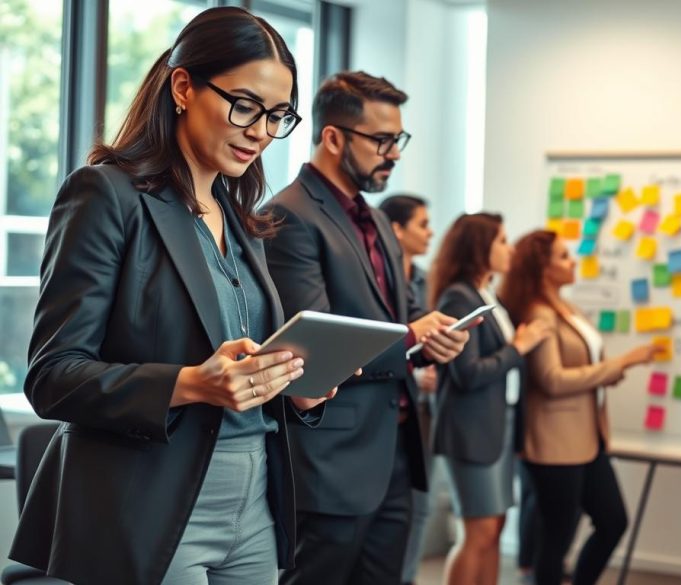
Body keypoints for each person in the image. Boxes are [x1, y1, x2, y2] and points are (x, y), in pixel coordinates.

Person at [8, 7, 334, 585]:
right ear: (183, 86)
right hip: (147, 503)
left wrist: (290, 387)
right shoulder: (106, 195)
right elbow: (53, 376)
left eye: (277, 115)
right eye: (245, 105)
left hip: (255, 500)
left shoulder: (240, 218)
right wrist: (190, 383)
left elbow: (238, 364)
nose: (260, 130)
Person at [264, 71, 471, 585]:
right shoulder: (288, 217)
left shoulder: (376, 221)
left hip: (396, 450)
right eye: (382, 140)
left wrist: (429, 345)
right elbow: (312, 352)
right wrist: (412, 335)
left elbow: (397, 324)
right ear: (333, 138)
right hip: (332, 461)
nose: (394, 153)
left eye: (397, 139)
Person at [500, 230, 657, 585]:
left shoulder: (565, 306)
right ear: (543, 267)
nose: (573, 261)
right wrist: (623, 363)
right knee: (556, 536)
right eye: (563, 256)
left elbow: (579, 366)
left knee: (613, 520)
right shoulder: (539, 314)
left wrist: (604, 375)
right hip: (554, 441)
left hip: (587, 438)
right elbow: (553, 380)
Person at [430, 214, 550, 585]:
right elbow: (468, 373)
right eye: (501, 241)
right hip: (472, 430)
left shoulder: (487, 295)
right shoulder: (458, 296)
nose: (510, 249)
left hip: (497, 426)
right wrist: (520, 347)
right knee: (478, 532)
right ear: (479, 248)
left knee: (494, 528)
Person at [379, 193, 437, 585]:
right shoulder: (382, 276)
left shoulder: (421, 279)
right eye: (422, 224)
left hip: (409, 419)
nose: (431, 232)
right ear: (395, 230)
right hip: (377, 415)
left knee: (413, 515)